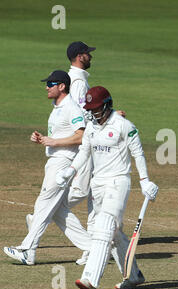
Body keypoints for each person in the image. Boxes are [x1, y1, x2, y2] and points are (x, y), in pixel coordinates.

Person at [26, 41, 126, 265]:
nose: (91, 57)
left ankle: (88, 244)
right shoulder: (78, 82)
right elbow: (83, 116)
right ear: (80, 56)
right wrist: (111, 117)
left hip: (78, 146)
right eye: (88, 54)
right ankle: (43, 218)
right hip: (81, 146)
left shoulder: (78, 79)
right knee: (81, 192)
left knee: (85, 193)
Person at [55, 86, 158, 289]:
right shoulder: (91, 127)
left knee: (104, 227)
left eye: (96, 108)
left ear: (107, 104)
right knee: (114, 233)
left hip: (118, 182)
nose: (93, 113)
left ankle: (90, 279)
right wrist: (70, 170)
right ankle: (134, 275)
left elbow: (138, 153)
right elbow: (84, 152)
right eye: (90, 109)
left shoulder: (123, 125)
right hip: (98, 183)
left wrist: (145, 180)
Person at [3, 70, 91, 265]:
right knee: (59, 211)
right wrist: (41, 139)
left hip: (63, 161)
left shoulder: (71, 107)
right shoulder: (56, 107)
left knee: (43, 205)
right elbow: (60, 135)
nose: (47, 87)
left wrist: (53, 141)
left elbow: (81, 136)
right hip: (53, 160)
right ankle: (93, 248)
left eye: (51, 83)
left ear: (62, 86)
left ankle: (28, 250)